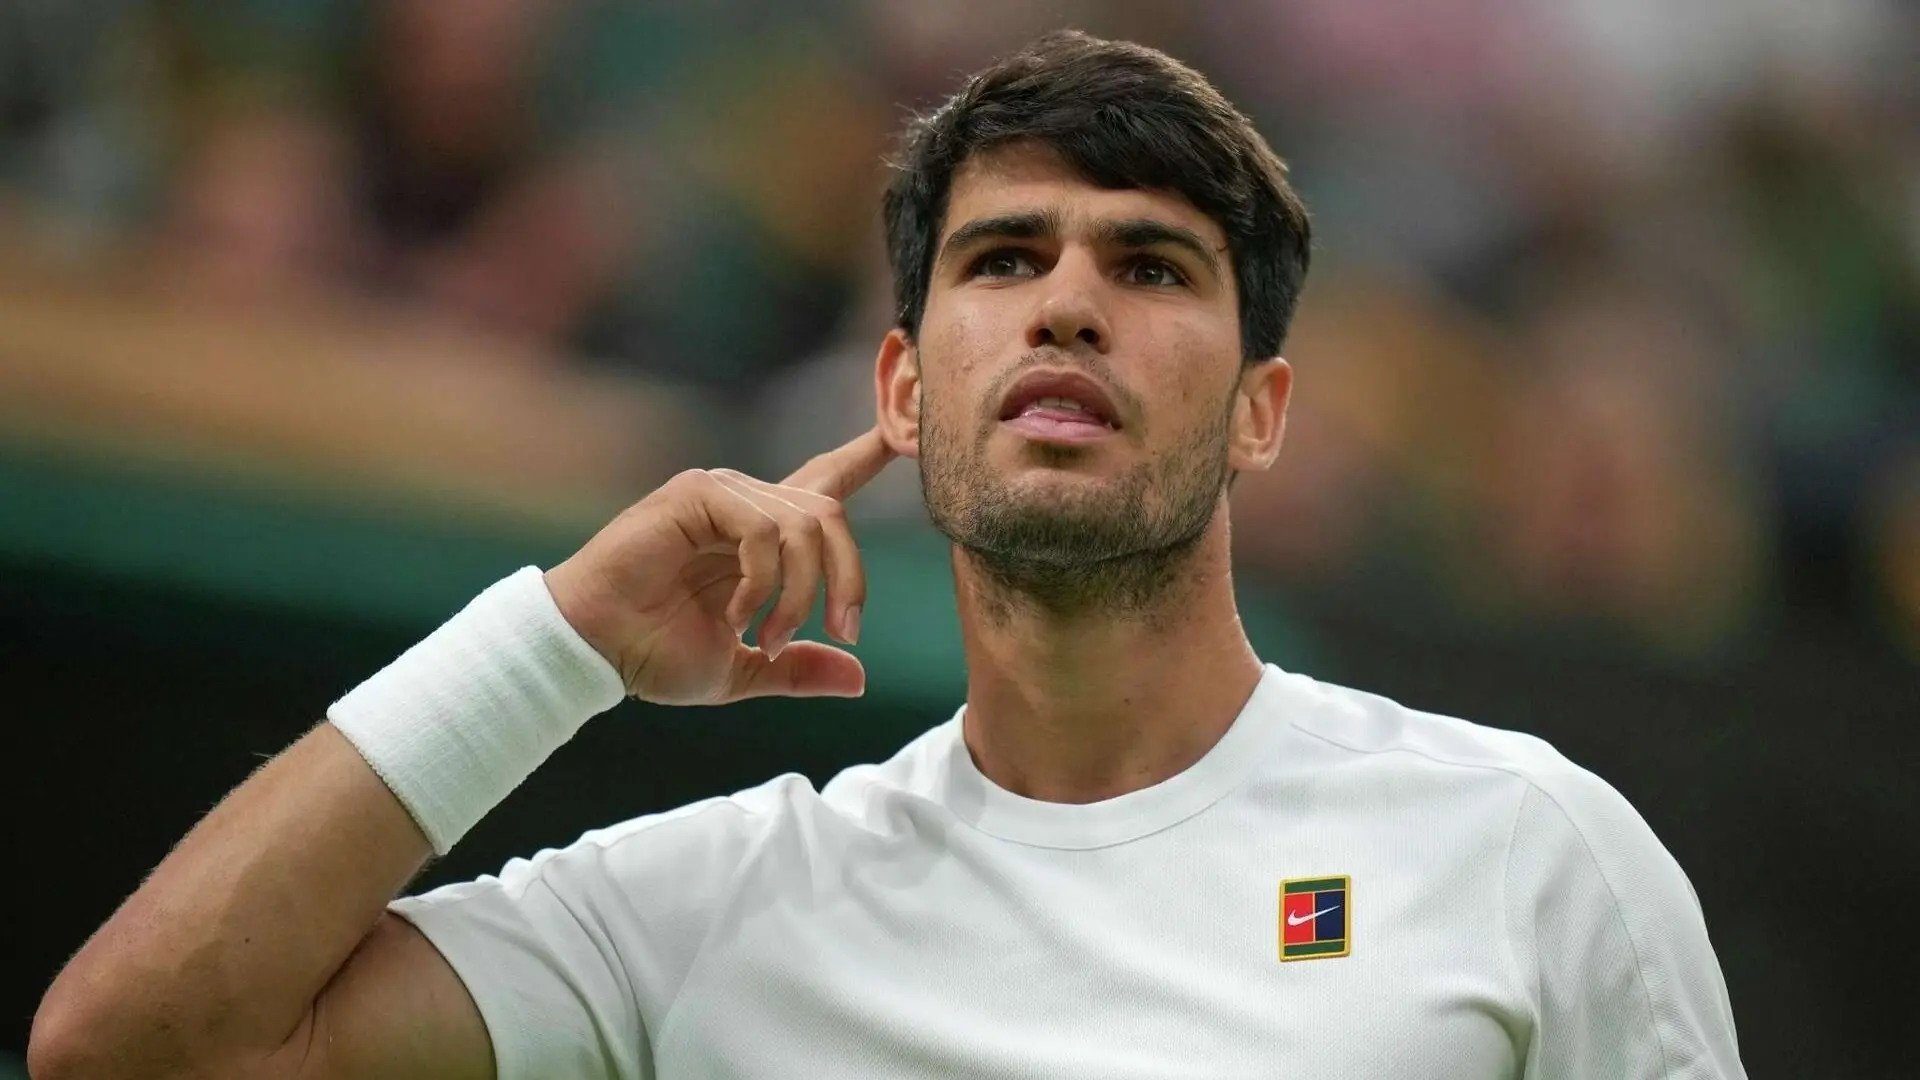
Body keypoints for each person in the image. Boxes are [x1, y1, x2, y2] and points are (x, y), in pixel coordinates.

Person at [28, 31, 1745, 1080]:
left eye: (1151, 268)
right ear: (906, 391)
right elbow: (135, 1048)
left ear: (1260, 413)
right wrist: (556, 641)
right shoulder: (715, 906)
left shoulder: (1525, 850)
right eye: (1004, 259)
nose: (1068, 303)